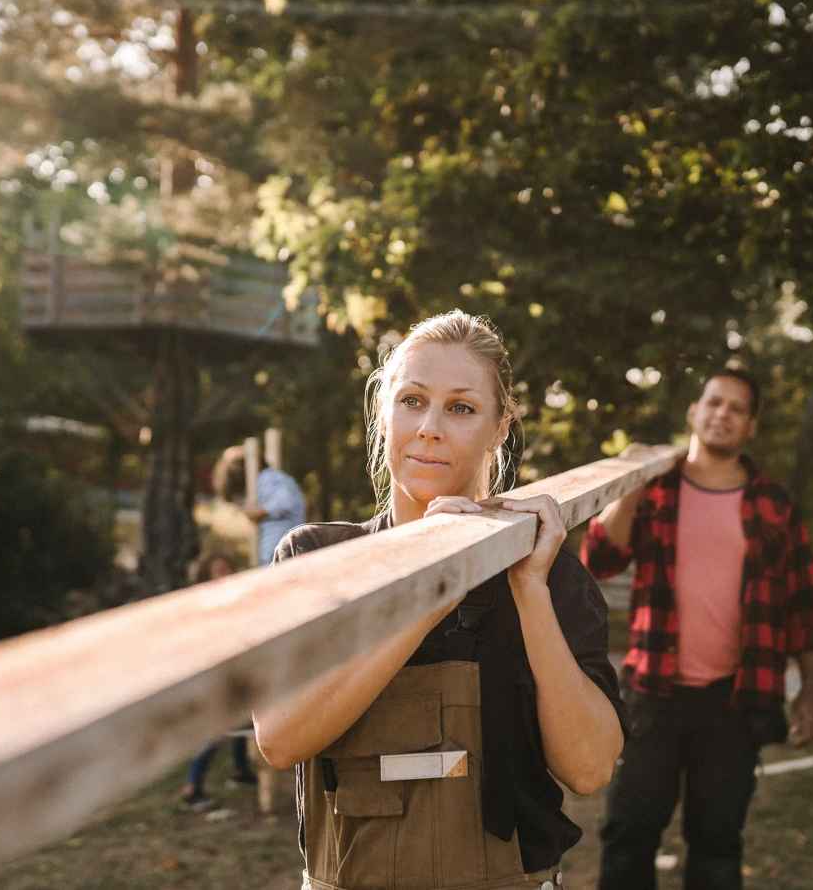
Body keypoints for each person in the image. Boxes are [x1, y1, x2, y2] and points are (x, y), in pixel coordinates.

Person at [252, 310, 626, 890]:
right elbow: (279, 739)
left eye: (461, 408)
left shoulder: (551, 578)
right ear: (383, 414)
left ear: (499, 428)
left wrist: (528, 589)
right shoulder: (317, 561)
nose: (429, 426)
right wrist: (431, 591)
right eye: (412, 400)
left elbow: (591, 767)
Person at [582, 368, 813, 890]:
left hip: (735, 702)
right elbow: (600, 558)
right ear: (694, 412)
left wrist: (811, 690)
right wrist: (634, 480)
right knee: (628, 834)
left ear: (750, 427)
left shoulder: (774, 505)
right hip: (654, 694)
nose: (723, 414)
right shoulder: (656, 491)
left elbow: (804, 606)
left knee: (717, 843)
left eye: (737, 408)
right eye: (714, 402)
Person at [180, 553, 258, 810]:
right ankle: (193, 788)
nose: (226, 574)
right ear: (208, 576)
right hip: (213, 674)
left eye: (228, 568)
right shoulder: (206, 604)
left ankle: (240, 769)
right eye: (220, 570)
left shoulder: (236, 600)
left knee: (243, 718)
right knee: (215, 729)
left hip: (233, 669)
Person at [213, 440, 307, 567]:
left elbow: (287, 501)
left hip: (283, 552)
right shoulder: (258, 484)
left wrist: (262, 511)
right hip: (276, 553)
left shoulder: (268, 477)